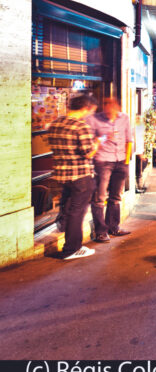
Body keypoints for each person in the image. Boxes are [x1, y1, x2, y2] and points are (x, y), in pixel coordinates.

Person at [48, 94, 99, 259]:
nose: (89, 115)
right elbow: (88, 152)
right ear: (85, 108)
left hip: (62, 175)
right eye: (90, 111)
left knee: (70, 210)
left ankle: (70, 245)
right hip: (81, 175)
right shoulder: (80, 126)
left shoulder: (55, 124)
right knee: (77, 212)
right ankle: (72, 249)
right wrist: (98, 142)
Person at [86, 97, 134, 242]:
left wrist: (126, 162)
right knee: (100, 198)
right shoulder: (94, 119)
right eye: (106, 106)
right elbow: (89, 142)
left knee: (116, 196)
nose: (109, 109)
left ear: (117, 107)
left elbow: (129, 140)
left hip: (120, 161)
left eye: (111, 106)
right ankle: (100, 231)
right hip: (103, 161)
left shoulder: (124, 118)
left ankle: (114, 227)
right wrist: (105, 137)